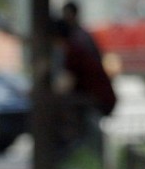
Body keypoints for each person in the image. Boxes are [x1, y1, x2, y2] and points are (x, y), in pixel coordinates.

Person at [50, 10, 117, 157]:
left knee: (59, 104)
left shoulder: (73, 51)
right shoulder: (75, 47)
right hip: (97, 96)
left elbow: (65, 84)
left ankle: (70, 146)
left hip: (99, 99)